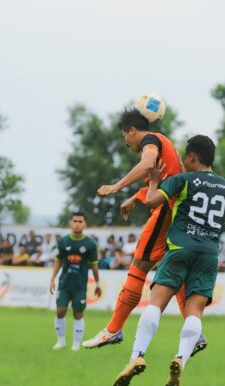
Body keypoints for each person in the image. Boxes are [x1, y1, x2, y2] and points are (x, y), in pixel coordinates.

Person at [112, 135, 225, 386]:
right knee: (194, 311)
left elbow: (151, 201)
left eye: (186, 157)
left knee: (155, 304)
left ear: (191, 157)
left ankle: (137, 357)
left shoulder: (183, 179)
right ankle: (181, 358)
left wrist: (155, 181)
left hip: (179, 250)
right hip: (207, 255)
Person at [83, 109, 194, 349]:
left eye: (125, 137)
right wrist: (136, 196)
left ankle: (113, 330)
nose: (127, 144)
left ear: (132, 130)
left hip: (166, 210)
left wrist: (117, 186)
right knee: (175, 273)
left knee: (139, 266)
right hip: (178, 213)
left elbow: (146, 165)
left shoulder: (150, 140)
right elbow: (164, 180)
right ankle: (194, 332)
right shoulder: (167, 145)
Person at [49, 212, 101, 351]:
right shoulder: (64, 241)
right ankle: (60, 341)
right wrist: (52, 278)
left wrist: (97, 283)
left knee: (78, 313)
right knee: (60, 311)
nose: (77, 224)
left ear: (84, 224)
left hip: (80, 285)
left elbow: (94, 265)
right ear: (70, 223)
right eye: (75, 221)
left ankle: (76, 344)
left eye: (80, 221)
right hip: (65, 283)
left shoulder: (90, 244)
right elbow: (58, 260)